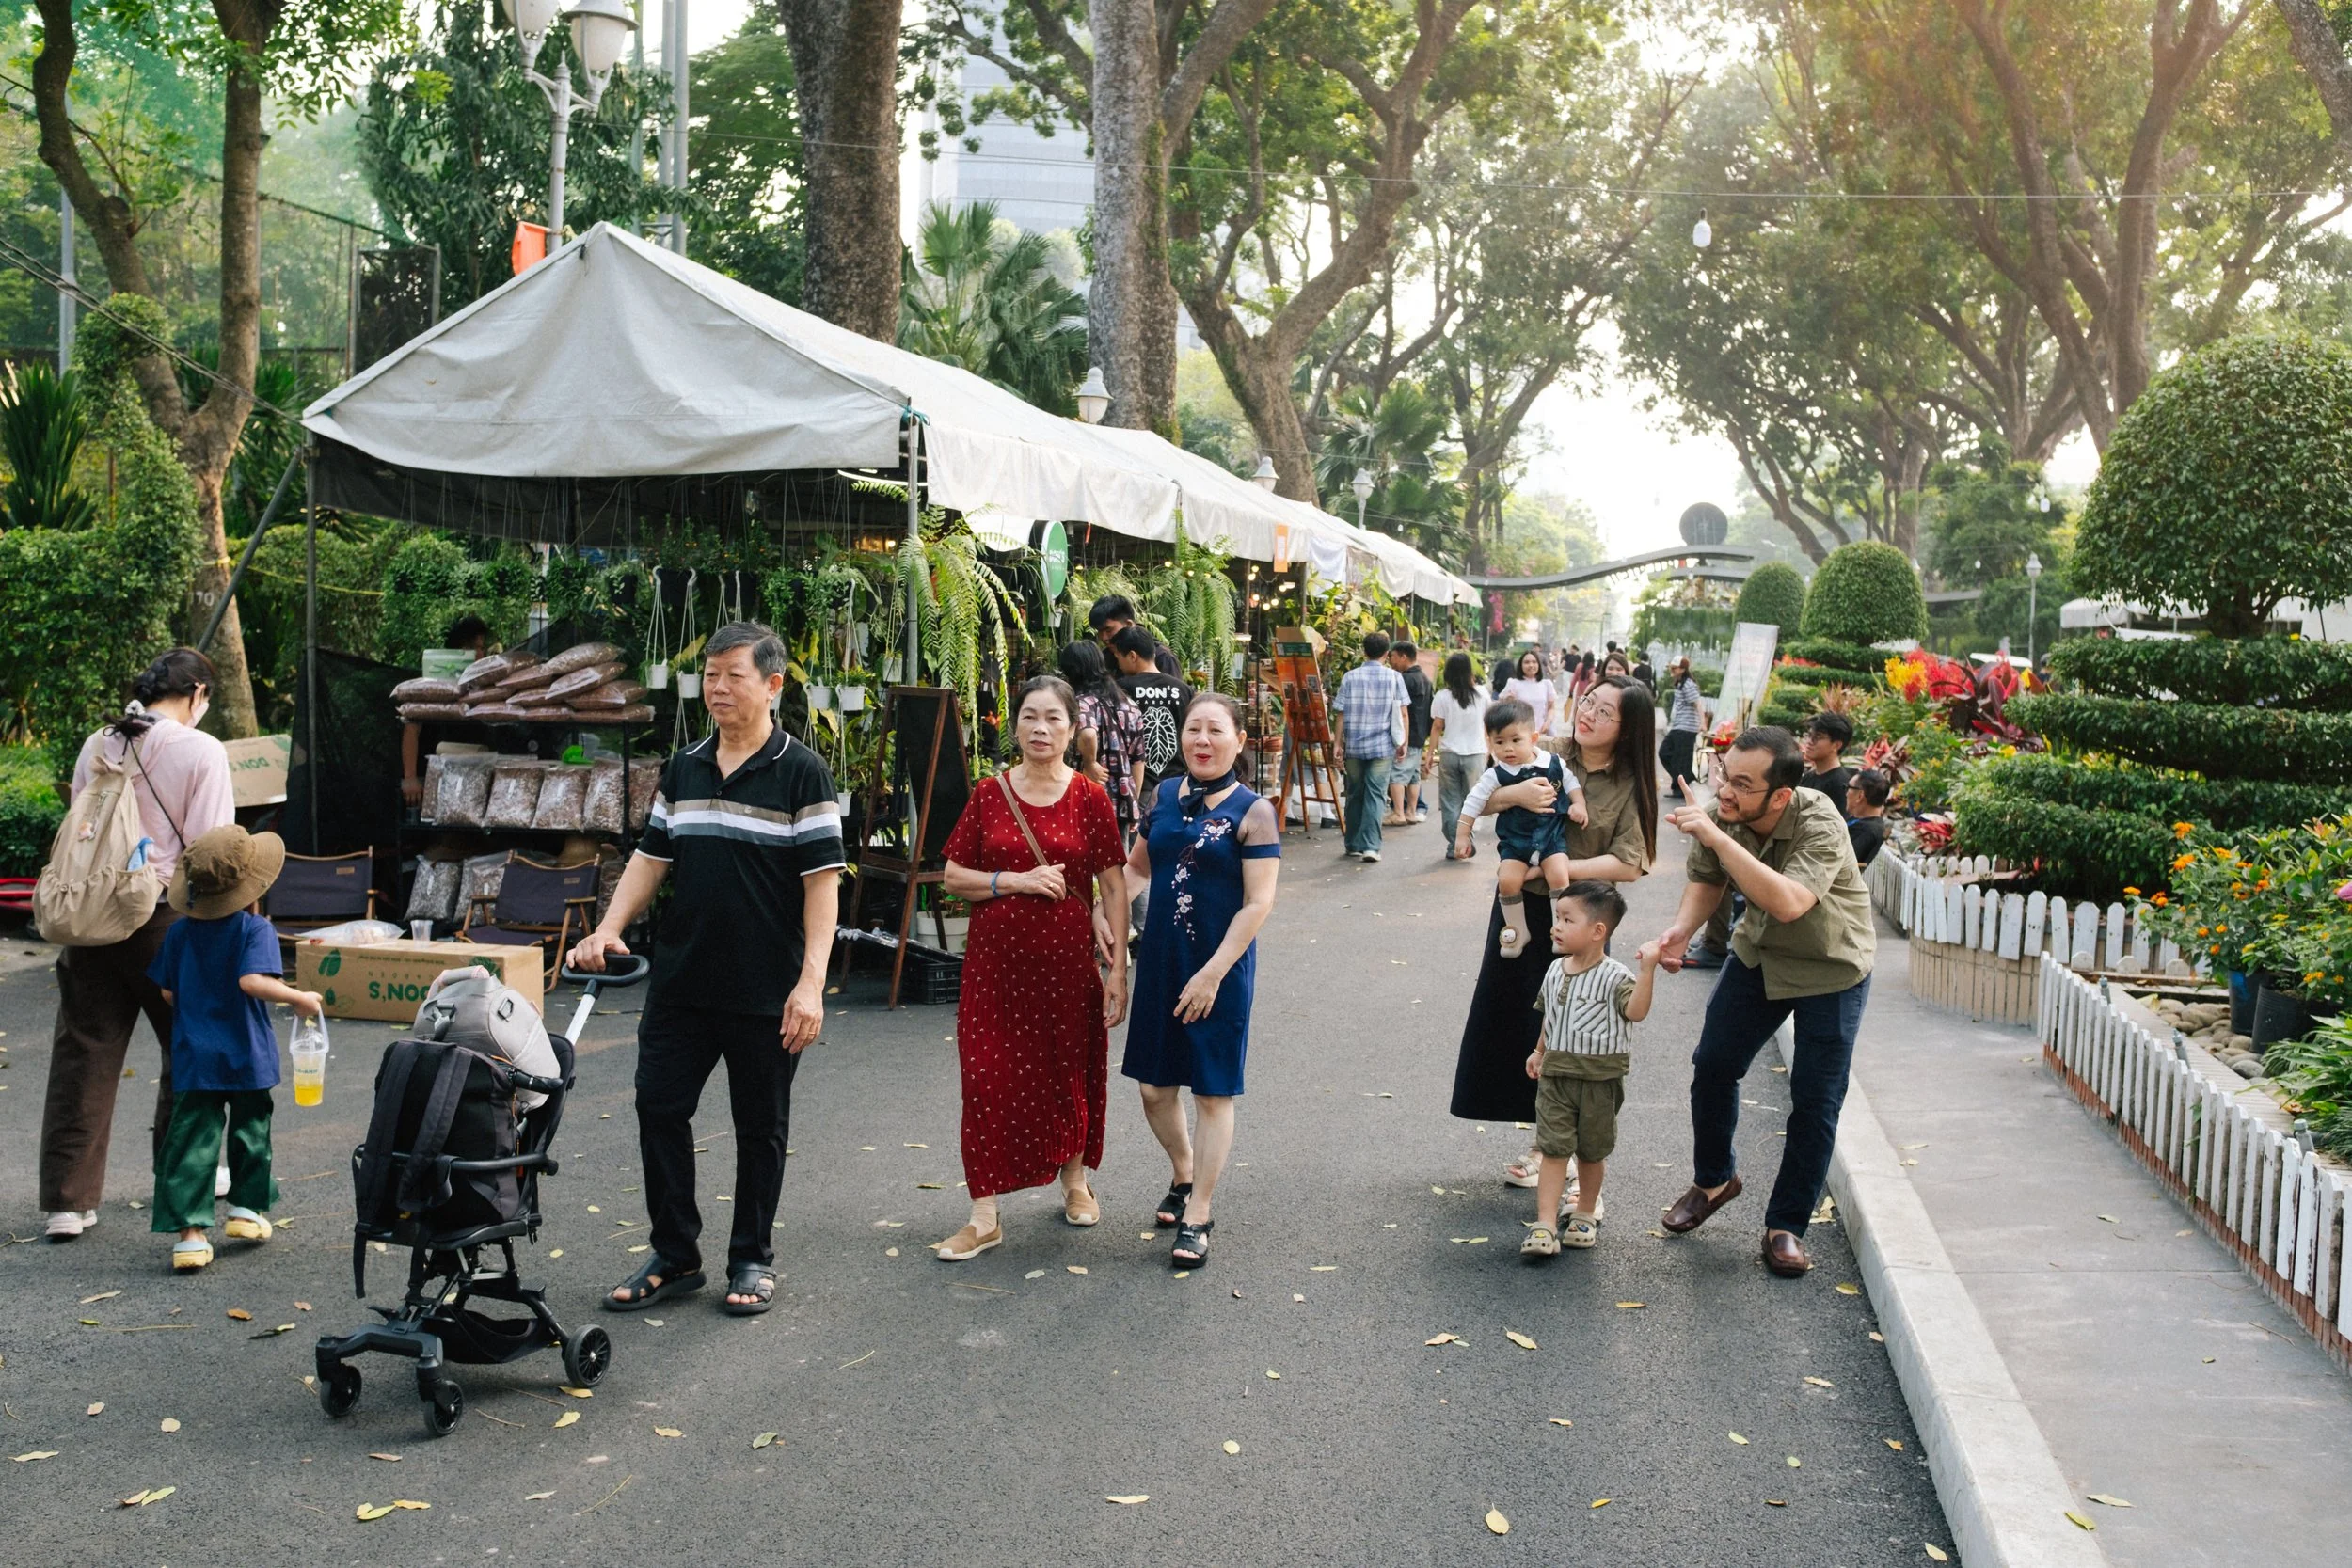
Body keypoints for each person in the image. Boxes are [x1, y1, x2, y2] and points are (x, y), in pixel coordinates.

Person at [567, 622, 843, 1316]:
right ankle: (675, 1251)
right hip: (682, 982)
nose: (717, 688)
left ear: (773, 684)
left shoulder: (801, 771)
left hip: (767, 992)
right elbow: (652, 859)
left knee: (760, 1126)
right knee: (658, 1105)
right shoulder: (685, 766)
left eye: (733, 676)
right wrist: (607, 928)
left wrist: (811, 982)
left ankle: (751, 1256)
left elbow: (823, 885)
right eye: (710, 676)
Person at [1655, 726, 1877, 1279]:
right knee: (1713, 1065)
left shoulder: (1820, 819)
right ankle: (1715, 1180)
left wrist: (1717, 834)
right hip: (1759, 956)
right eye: (1725, 775)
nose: (1725, 792)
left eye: (1742, 785)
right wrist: (1682, 930)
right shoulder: (1723, 808)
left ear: (1779, 795)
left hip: (1832, 967)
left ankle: (1786, 1226)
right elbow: (1708, 881)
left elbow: (1789, 902)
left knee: (1816, 1100)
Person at [40, 648, 236, 1242]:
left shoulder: (99, 741)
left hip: (94, 916)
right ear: (198, 693)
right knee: (187, 1050)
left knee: (85, 1050)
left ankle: (66, 1203)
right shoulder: (202, 750)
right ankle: (181, 1177)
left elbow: (81, 824)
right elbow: (210, 849)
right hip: (164, 919)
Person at [934, 677, 1130, 1259]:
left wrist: (1117, 968)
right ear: (1014, 727)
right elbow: (951, 878)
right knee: (987, 1077)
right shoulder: (989, 794)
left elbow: (1114, 884)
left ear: (1073, 730)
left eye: (1053, 719)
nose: (1040, 729)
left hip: (1067, 966)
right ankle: (984, 1214)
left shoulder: (1090, 798)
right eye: (1029, 717)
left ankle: (1074, 1181)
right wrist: (1012, 881)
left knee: (1066, 1069)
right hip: (994, 969)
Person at [1454, 676, 1660, 1221]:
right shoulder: (1549, 749)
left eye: (1605, 712)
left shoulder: (1632, 781)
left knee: (1579, 1037)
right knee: (1520, 1026)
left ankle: (1573, 1160)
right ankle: (1546, 1143)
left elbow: (1632, 864)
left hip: (1583, 919)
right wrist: (1514, 796)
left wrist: (1565, 872)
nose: (1588, 714)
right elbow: (1488, 792)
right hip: (1522, 911)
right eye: (1587, 702)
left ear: (1629, 727)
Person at [1121, 693, 1280, 1268]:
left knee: (1212, 1092)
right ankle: (1183, 1172)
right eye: (1194, 729)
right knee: (1154, 1090)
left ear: (1239, 740)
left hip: (1220, 970)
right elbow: (1137, 869)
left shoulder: (1254, 811)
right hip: (1161, 963)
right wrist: (1104, 917)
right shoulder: (1163, 796)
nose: (1203, 740)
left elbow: (1259, 903)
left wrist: (1214, 972)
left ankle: (1200, 1212)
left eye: (1216, 730)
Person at [144, 826, 321, 1272]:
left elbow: (167, 994)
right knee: (251, 1133)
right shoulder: (254, 928)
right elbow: (252, 982)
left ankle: (190, 1236)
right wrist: (300, 997)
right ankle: (246, 1211)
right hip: (247, 1053)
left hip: (195, 1055)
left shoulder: (179, 933)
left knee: (192, 1142)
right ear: (251, 887)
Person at [1520, 883, 1659, 1259]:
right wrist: (1538, 1051)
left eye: (1568, 920)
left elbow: (1636, 1012)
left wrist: (1647, 970)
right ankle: (1545, 1222)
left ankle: (1583, 1212)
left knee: (1591, 1151)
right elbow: (1551, 1015)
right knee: (1553, 1148)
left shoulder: (1616, 976)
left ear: (1598, 930)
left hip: (1600, 1080)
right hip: (1556, 1077)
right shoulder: (1554, 970)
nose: (1556, 927)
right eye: (1557, 918)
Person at [1453, 700, 1586, 956]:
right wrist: (1462, 835)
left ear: (1534, 737)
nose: (1508, 748)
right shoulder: (1495, 774)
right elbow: (1473, 801)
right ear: (1490, 742)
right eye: (1499, 742)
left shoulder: (1553, 764)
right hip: (1516, 844)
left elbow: (1572, 785)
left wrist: (1579, 805)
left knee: (1559, 875)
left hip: (1551, 839)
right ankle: (1517, 931)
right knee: (1508, 880)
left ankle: (1562, 932)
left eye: (1516, 740)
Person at [1329, 631, 1409, 863]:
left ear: (1364, 651)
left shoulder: (1350, 677)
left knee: (1354, 793)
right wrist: (1402, 742)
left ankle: (1352, 843)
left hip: (1354, 746)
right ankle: (1371, 847)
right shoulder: (1394, 678)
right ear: (1387, 653)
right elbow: (1403, 713)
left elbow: (1341, 714)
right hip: (1382, 747)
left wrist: (1337, 744)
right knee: (1376, 795)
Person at [1059, 640, 1147, 844]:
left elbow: (1088, 734)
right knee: (1116, 866)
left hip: (1085, 800)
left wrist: (1090, 763)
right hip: (1121, 803)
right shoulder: (1130, 705)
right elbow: (1138, 760)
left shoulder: (1081, 702)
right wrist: (1132, 799)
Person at [399, 613, 490, 809]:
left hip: (475, 774)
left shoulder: (485, 686)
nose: (480, 654)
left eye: (482, 648)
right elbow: (411, 729)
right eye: (475, 648)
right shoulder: (429, 686)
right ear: (459, 650)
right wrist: (410, 779)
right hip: (436, 776)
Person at [1108, 625, 1192, 797]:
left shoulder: (1122, 689)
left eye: (1119, 658)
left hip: (1140, 785)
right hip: (1179, 784)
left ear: (1132, 656)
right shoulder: (1184, 690)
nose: (1119, 665)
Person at [1426, 653, 1490, 857]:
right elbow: (1489, 725)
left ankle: (1456, 844)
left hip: (1450, 754)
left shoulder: (1443, 696)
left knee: (1449, 802)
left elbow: (1437, 726)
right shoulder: (1482, 694)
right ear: (1469, 671)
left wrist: (1430, 753)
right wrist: (1491, 750)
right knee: (1471, 801)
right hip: (1475, 755)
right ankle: (1461, 843)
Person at [1387, 640, 1434, 826]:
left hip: (1406, 734)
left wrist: (1400, 738)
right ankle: (1411, 812)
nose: (1391, 661)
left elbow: (1401, 711)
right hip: (1420, 734)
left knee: (1397, 775)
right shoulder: (1426, 679)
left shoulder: (1404, 679)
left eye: (1393, 657)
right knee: (1414, 775)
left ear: (1403, 656)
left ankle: (1398, 813)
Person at [1089, 594, 1183, 677]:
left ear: (1129, 625)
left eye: (1108, 630)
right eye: (1099, 631)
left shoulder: (1163, 658)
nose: (1104, 637)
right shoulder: (1105, 658)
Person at [1660, 657, 1706, 802]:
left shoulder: (1688, 684)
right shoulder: (1680, 683)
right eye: (1671, 668)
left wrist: (1703, 723)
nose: (1671, 670)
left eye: (1674, 668)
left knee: (1678, 758)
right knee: (1665, 753)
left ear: (1683, 669)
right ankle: (1684, 778)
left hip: (1686, 727)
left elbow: (1698, 703)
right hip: (1679, 725)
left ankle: (1680, 786)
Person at [1502, 648, 1557, 745]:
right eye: (1526, 662)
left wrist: (1547, 723)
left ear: (1539, 665)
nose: (1531, 665)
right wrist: (1508, 700)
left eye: (1534, 662)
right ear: (1521, 665)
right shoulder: (1513, 684)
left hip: (1540, 735)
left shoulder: (1546, 684)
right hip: (1518, 736)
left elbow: (1551, 708)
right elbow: (1501, 708)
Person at [1799, 711, 1855, 802]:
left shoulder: (1841, 785)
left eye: (1817, 737)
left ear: (1836, 745)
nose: (1809, 742)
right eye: (1809, 735)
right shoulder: (1807, 778)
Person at [1845, 768, 1892, 868]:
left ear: (1860, 796)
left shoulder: (1868, 831)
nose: (1846, 793)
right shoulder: (1863, 823)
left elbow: (1841, 861)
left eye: (1849, 788)